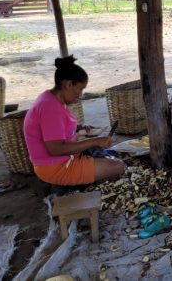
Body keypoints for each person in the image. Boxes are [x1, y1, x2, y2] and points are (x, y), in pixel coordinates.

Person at [24, 56, 126, 186]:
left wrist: (79, 128)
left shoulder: (51, 99)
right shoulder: (50, 107)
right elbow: (55, 149)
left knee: (112, 156)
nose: (80, 94)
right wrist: (94, 141)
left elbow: (55, 129)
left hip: (61, 161)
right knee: (118, 166)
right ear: (69, 84)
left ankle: (87, 177)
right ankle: (82, 186)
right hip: (55, 168)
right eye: (80, 88)